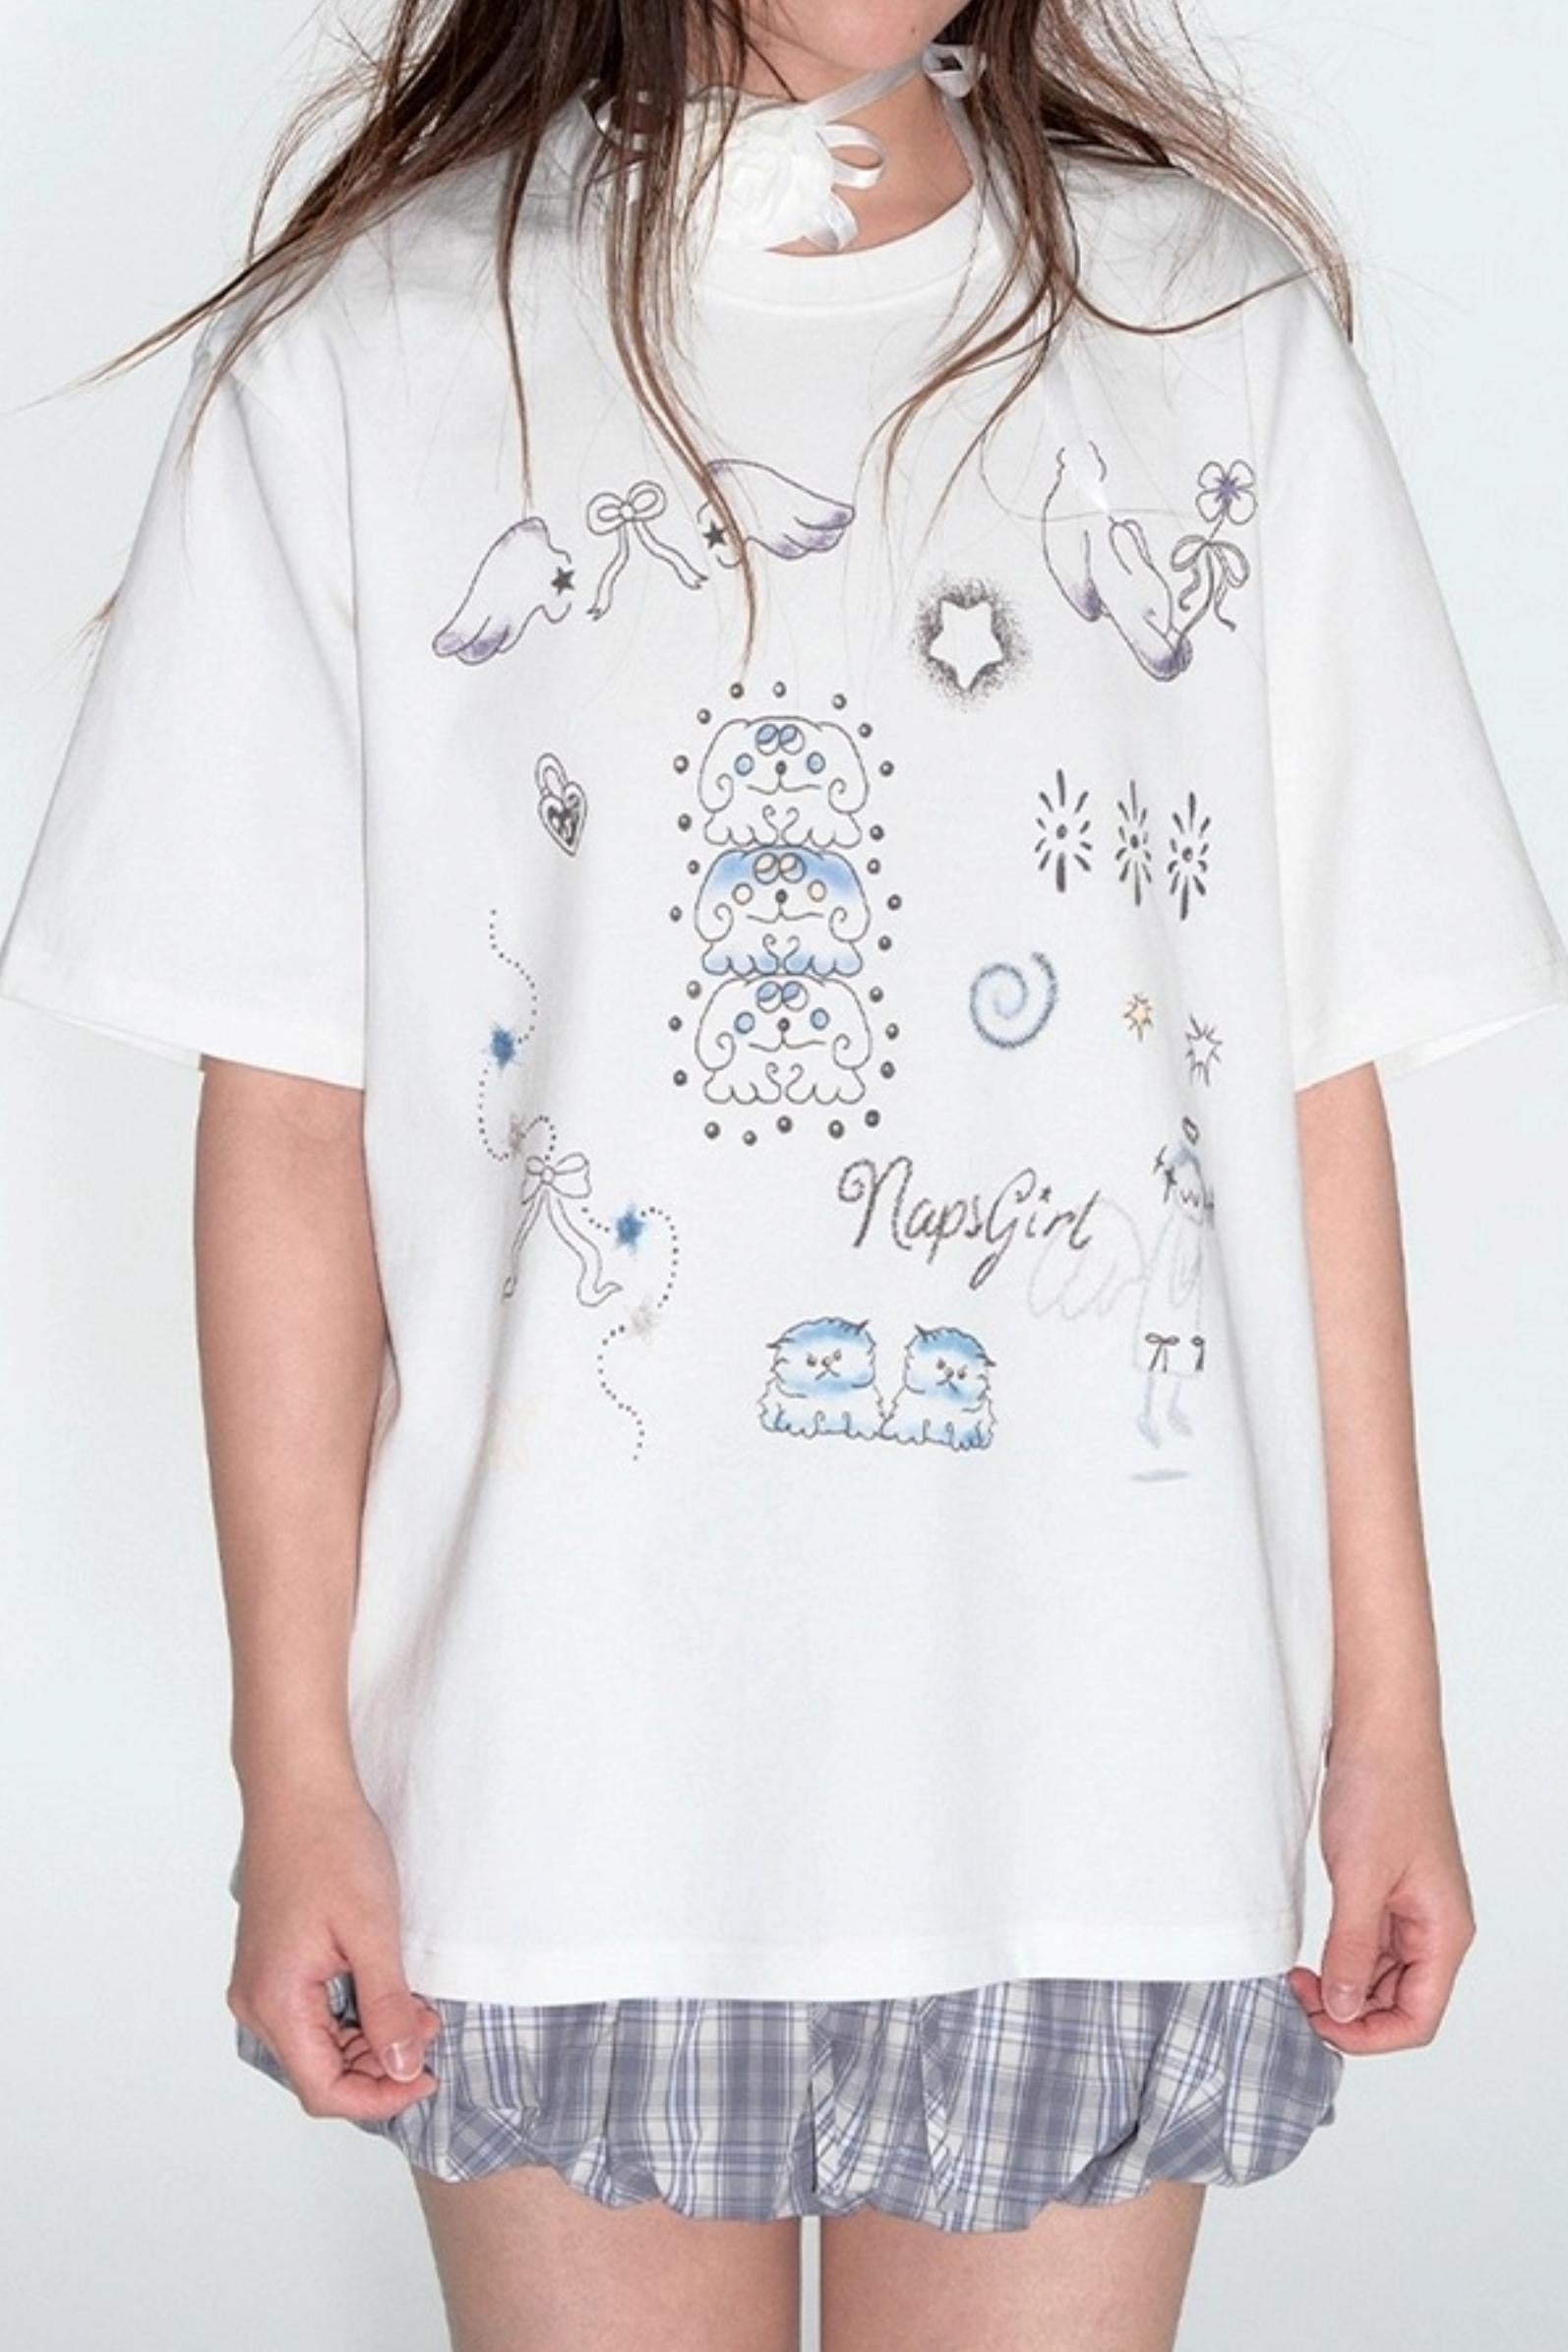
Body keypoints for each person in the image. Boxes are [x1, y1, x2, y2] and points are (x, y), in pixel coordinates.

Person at [3, 4, 1565, 2347]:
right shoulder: (376, 352)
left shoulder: (1202, 330)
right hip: (563, 1796)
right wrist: (294, 1765)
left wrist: (1389, 1724)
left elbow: (1306, 1089)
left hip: (1097, 1773)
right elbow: (293, 1125)